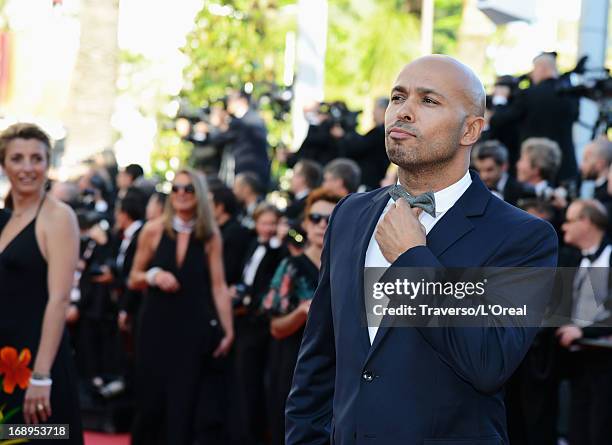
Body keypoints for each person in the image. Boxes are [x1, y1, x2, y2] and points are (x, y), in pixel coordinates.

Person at [285, 55, 558, 444]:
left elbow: (489, 362)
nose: (404, 111)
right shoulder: (350, 214)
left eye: (428, 101)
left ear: (471, 130)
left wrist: (413, 259)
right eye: (398, 97)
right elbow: (318, 360)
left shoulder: (523, 237)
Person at [128, 168, 233, 445]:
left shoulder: (210, 236)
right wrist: (154, 275)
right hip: (155, 326)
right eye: (176, 189)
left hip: (192, 329)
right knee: (150, 403)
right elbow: (133, 278)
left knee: (183, 404)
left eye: (188, 189)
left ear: (198, 194)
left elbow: (219, 286)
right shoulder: (152, 231)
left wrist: (228, 330)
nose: (182, 194)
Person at [0, 123, 83, 443]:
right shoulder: (6, 218)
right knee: (8, 438)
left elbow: (59, 299)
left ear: (49, 164)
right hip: (7, 362)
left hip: (36, 364)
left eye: (37, 158)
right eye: (17, 158)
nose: (28, 168)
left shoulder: (58, 217)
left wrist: (42, 376)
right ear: (4, 164)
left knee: (43, 438)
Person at [262, 188, 341, 445]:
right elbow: (275, 327)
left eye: (329, 219)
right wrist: (300, 312)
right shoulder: (291, 267)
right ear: (306, 223)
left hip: (339, 372)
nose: (322, 225)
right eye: (316, 218)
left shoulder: (348, 266)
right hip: (292, 369)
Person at [555, 199, 612, 445]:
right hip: (579, 361)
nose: (563, 227)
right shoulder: (578, 259)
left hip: (606, 364)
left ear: (586, 222)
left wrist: (582, 330)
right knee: (577, 429)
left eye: (569, 220)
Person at [490, 52, 579, 182]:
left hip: (534, 168)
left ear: (542, 68)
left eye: (534, 69)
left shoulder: (528, 95)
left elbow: (498, 121)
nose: (532, 74)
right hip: (566, 168)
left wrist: (500, 100)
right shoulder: (571, 96)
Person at [472, 140, 534, 206]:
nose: (484, 176)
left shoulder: (524, 192)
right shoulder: (474, 191)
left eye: (489, 170)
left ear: (504, 166)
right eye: (479, 170)